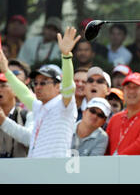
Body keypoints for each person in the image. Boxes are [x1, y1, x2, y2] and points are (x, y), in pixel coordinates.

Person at [0, 26, 80, 158]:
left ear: (57, 86)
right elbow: (24, 93)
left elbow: (68, 86)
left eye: (43, 83)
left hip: (55, 170)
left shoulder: (65, 104)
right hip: (36, 170)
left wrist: (66, 57)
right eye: (35, 83)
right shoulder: (39, 107)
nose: (37, 87)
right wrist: (6, 71)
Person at [0, 72, 33, 157]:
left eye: (3, 86)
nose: (0, 89)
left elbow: (30, 139)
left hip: (21, 169)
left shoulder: (26, 115)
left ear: (15, 91)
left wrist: (3, 121)